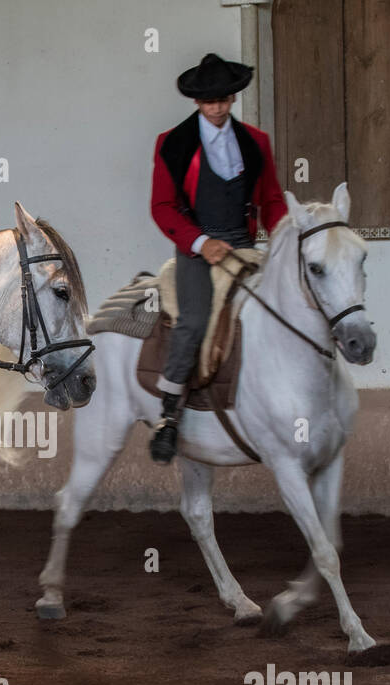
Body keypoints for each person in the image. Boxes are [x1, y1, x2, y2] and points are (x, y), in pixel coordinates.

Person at [148, 53, 287, 465]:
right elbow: (162, 207)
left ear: (232, 98)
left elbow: (271, 199)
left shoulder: (256, 141)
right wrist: (200, 242)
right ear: (197, 102)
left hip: (243, 244)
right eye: (210, 102)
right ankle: (169, 416)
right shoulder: (171, 143)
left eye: (224, 100)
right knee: (193, 319)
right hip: (197, 248)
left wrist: (282, 235)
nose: (218, 108)